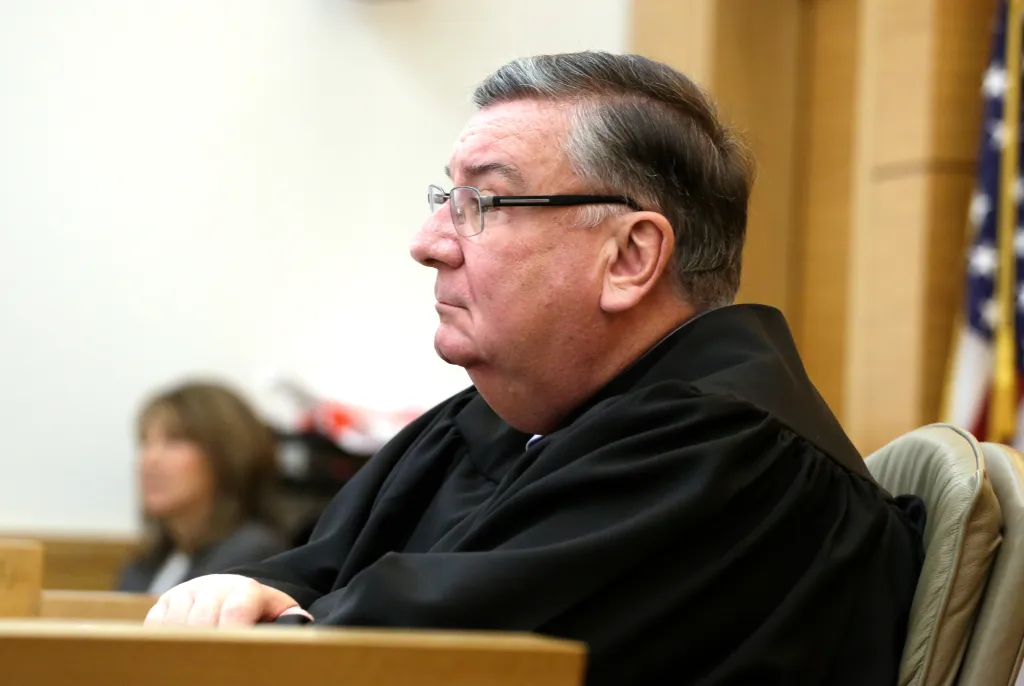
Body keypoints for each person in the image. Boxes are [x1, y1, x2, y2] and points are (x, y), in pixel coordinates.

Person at [144, 52, 925, 685]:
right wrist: (237, 595)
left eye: (482, 203)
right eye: (444, 198)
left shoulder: (720, 453)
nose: (429, 241)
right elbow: (308, 574)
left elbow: (404, 661)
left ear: (630, 257)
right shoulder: (495, 419)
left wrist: (270, 619)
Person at [119, 380, 286, 594]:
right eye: (145, 441)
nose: (149, 459)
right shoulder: (151, 559)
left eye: (175, 440)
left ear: (227, 454)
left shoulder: (251, 554)